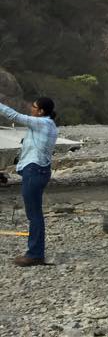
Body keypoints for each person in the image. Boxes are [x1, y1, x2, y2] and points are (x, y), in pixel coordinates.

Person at [0, 97, 58, 266]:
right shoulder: (48, 124)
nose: (31, 108)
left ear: (41, 111)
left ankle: (35, 254)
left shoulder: (43, 123)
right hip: (37, 170)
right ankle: (35, 253)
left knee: (34, 214)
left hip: (35, 171)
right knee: (34, 213)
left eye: (34, 106)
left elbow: (14, 116)